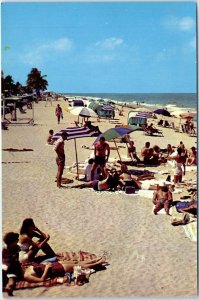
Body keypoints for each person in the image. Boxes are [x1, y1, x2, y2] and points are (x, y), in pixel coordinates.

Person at [22, 255, 107, 284]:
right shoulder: (27, 276)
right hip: (53, 270)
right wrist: (47, 268)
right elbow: (42, 280)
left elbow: (39, 265)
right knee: (78, 266)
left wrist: (46, 264)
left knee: (76, 263)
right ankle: (96, 263)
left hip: (53, 265)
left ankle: (94, 260)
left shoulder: (25, 268)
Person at [2, 232, 23, 296]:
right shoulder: (16, 248)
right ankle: (9, 287)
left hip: (4, 266)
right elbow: (16, 260)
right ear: (13, 241)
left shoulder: (4, 249)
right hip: (11, 267)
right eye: (16, 239)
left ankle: (5, 284)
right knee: (12, 279)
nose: (18, 240)